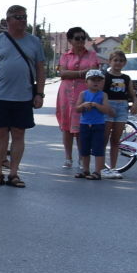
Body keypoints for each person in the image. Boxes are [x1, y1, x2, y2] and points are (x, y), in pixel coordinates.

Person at [0, 4, 46, 188]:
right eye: (18, 17)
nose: (22, 21)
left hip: (23, 96)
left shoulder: (34, 42)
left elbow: (40, 69)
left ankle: (14, 173)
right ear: (8, 21)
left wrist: (39, 93)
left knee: (18, 133)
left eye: (24, 17)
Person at [53, 27, 102, 169]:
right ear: (70, 40)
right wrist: (82, 73)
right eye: (77, 38)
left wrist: (73, 73)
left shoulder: (92, 55)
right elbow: (62, 73)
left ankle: (82, 157)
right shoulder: (65, 56)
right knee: (66, 127)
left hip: (85, 94)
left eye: (83, 38)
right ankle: (68, 157)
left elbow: (93, 73)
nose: (81, 40)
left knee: (82, 127)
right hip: (66, 95)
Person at [101, 50, 137, 177]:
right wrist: (106, 107)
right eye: (115, 60)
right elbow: (101, 93)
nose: (118, 63)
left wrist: (135, 103)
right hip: (109, 106)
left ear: (125, 63)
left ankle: (113, 168)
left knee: (116, 140)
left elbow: (132, 94)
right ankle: (101, 167)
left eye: (121, 61)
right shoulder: (105, 76)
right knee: (104, 138)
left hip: (122, 107)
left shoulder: (126, 78)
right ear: (110, 62)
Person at [73, 69, 113, 180]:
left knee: (98, 148)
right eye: (93, 80)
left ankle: (98, 171)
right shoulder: (83, 94)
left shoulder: (103, 95)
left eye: (99, 80)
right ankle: (85, 170)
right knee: (84, 148)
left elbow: (106, 110)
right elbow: (77, 109)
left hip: (98, 124)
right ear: (86, 82)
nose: (96, 82)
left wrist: (96, 105)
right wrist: (83, 105)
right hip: (85, 124)